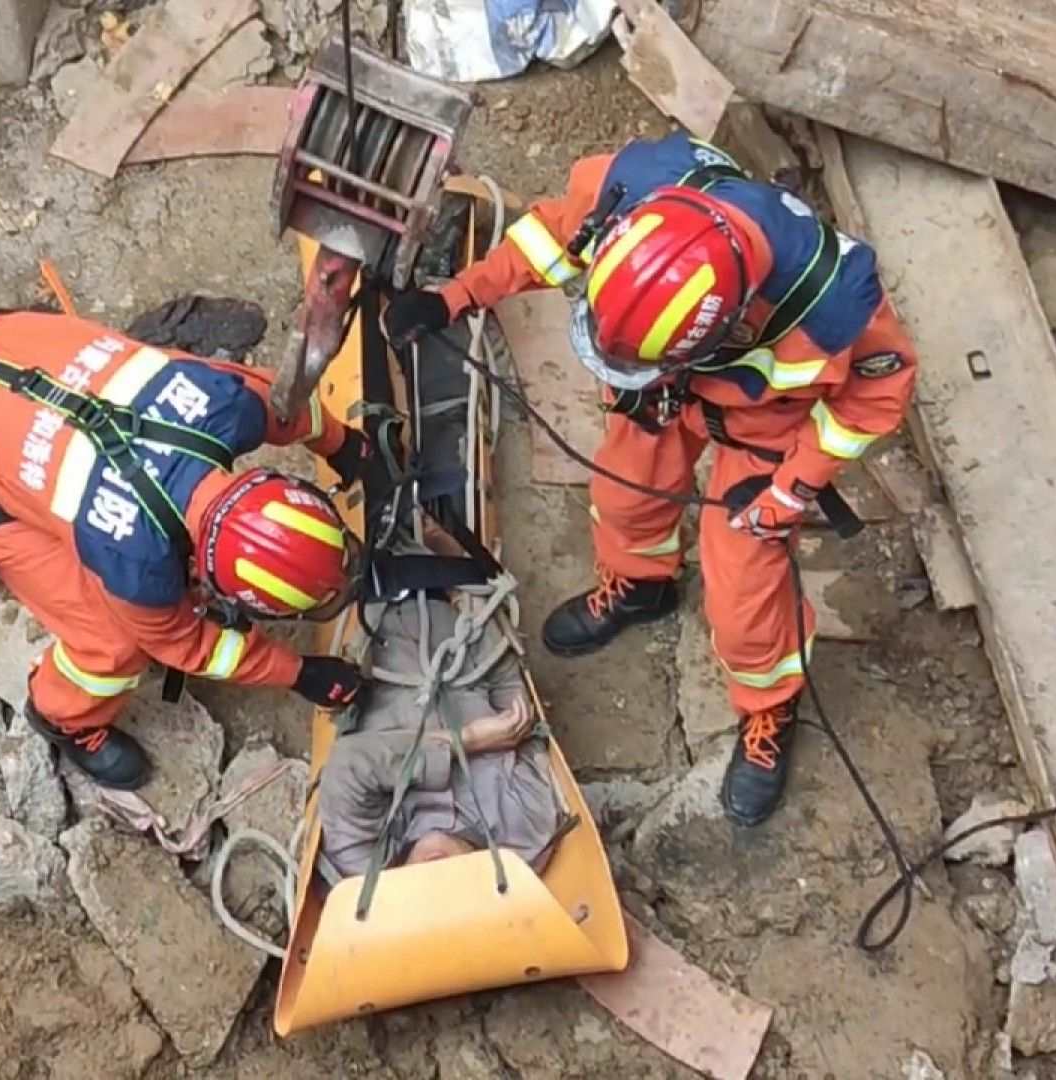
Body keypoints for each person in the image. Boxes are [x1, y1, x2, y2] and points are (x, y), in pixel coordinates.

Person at [381, 130, 918, 828]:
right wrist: (456, 297)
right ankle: (641, 586)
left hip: (765, 430)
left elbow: (874, 397)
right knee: (623, 494)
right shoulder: (636, 183)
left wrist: (793, 487)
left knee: (745, 594)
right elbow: (549, 237)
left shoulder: (835, 300)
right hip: (663, 394)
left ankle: (769, 707)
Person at [0, 309, 372, 791]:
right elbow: (187, 643)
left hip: (13, 344)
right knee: (112, 645)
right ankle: (64, 717)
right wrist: (298, 673)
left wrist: (343, 443)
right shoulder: (136, 566)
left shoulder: (223, 403)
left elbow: (283, 405)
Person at [317, 595, 565, 881]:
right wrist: (478, 617)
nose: (437, 873)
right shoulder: (526, 833)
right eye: (452, 886)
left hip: (373, 637)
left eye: (428, 890)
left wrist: (467, 740)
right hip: (464, 632)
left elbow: (350, 764)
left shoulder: (363, 868)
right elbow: (513, 699)